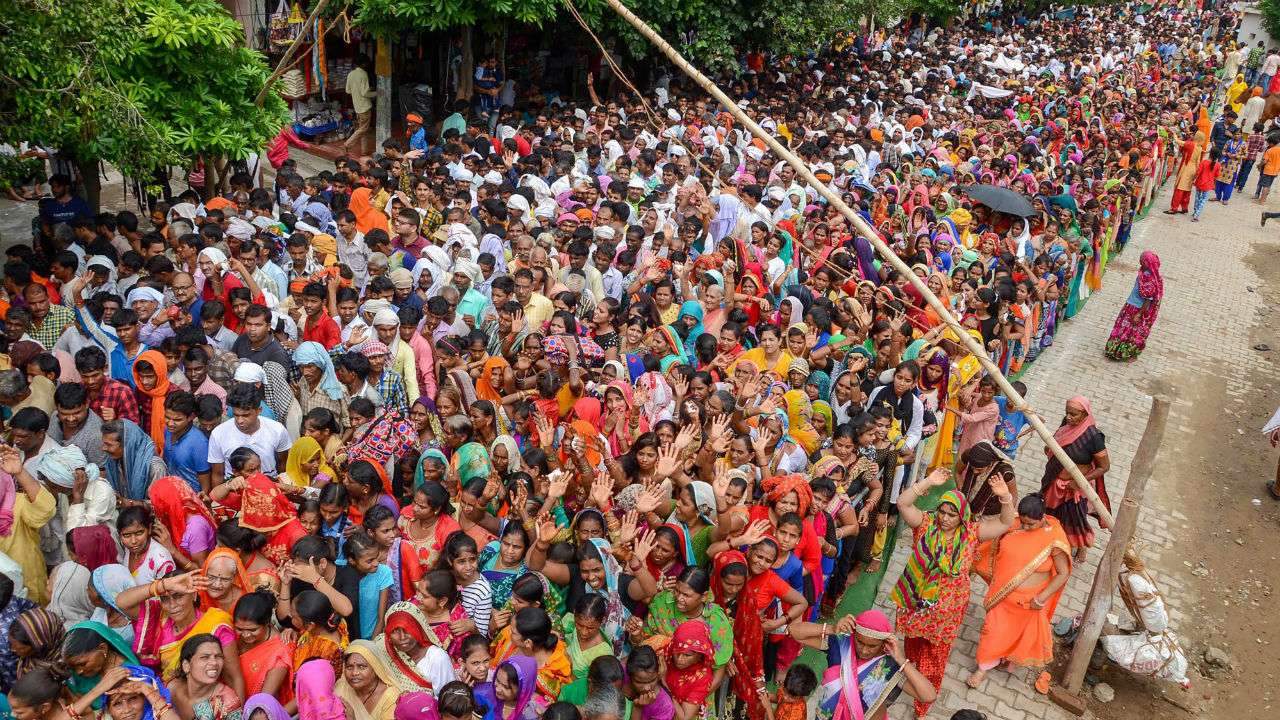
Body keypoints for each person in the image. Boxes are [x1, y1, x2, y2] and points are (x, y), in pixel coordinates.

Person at [889, 472, 1014, 717]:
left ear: (962, 516)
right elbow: (903, 503)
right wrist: (928, 482)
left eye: (951, 514)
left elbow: (1005, 523)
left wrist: (1005, 498)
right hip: (918, 605)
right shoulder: (925, 524)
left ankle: (923, 703)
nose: (945, 519)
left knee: (935, 659)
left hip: (946, 613)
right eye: (942, 512)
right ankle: (912, 681)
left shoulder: (971, 533)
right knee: (913, 649)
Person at [967, 496, 1071, 688]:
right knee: (993, 631)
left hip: (1031, 602)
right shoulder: (1013, 523)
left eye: (1030, 524)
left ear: (1042, 518)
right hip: (1002, 596)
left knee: (1017, 635)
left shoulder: (1054, 536)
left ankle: (1006, 658)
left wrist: (1041, 599)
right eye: (1023, 522)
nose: (1025, 528)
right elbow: (991, 544)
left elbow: (1063, 573)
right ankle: (982, 668)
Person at [1038, 397, 1110, 559]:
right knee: (1051, 513)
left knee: (1075, 517)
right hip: (1055, 482)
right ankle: (1050, 540)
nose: (1069, 417)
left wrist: (1079, 482)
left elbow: (1104, 467)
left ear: (1085, 414)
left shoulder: (1094, 437)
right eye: (1067, 413)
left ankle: (1080, 546)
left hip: (1076, 488)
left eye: (1074, 414)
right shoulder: (1066, 425)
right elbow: (1055, 445)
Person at [1104, 251, 1164, 361]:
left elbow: (1148, 300)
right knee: (1122, 328)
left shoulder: (1150, 279)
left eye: (1142, 259)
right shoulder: (1144, 273)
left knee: (1131, 331)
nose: (1140, 261)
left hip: (1137, 309)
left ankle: (1125, 353)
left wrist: (1139, 314)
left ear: (1147, 262)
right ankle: (1113, 350)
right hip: (1130, 305)